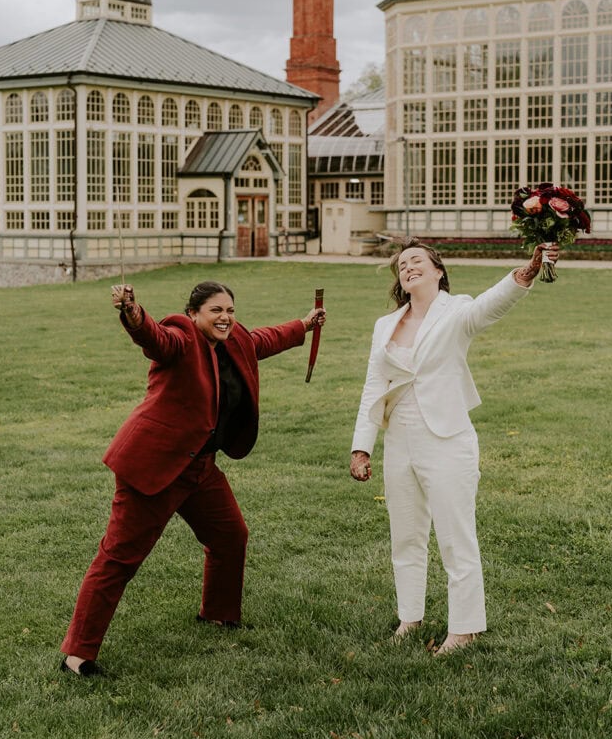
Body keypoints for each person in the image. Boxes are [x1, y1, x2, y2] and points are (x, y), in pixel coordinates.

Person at [60, 280, 326, 676]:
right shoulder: (181, 337)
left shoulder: (235, 341)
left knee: (230, 536)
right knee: (119, 558)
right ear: (193, 314)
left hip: (200, 468)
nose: (225, 318)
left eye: (230, 310)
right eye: (215, 310)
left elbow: (263, 340)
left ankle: (218, 614)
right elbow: (153, 337)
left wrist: (304, 324)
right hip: (154, 467)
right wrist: (132, 312)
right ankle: (77, 655)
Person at [350, 238, 558, 656]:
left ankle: (464, 629)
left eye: (416, 261)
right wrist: (361, 447)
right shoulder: (384, 325)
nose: (408, 267)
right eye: (402, 265)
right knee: (405, 536)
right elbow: (374, 384)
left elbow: (490, 306)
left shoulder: (457, 311)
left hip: (447, 440)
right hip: (399, 440)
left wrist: (527, 272)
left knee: (454, 536)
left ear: (438, 271)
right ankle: (409, 618)